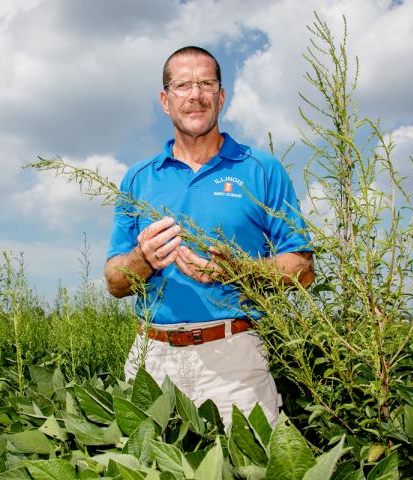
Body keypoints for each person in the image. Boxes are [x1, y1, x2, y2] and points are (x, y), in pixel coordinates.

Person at [105, 45, 313, 427]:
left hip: (235, 357)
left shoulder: (261, 169)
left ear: (221, 96)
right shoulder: (138, 177)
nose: (195, 94)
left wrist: (240, 271)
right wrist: (142, 259)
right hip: (153, 359)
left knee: (250, 467)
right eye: (182, 85)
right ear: (165, 101)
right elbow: (115, 282)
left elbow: (302, 268)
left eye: (206, 83)